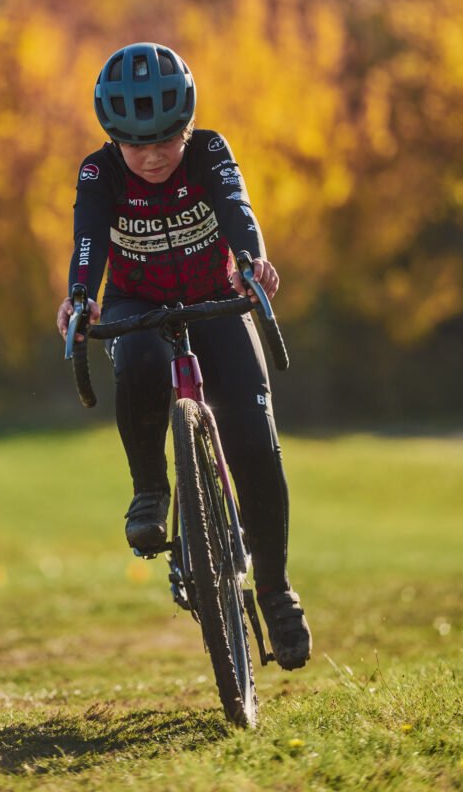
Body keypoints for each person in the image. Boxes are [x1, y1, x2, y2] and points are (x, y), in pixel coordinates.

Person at [56, 42, 311, 671]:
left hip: (215, 299)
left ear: (188, 125)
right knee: (139, 362)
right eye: (135, 144)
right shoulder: (99, 173)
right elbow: (87, 239)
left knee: (255, 442)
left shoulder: (210, 152)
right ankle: (150, 490)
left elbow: (237, 208)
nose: (153, 155)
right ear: (113, 138)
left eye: (167, 139)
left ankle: (275, 590)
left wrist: (251, 260)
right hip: (137, 303)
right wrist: (81, 295)